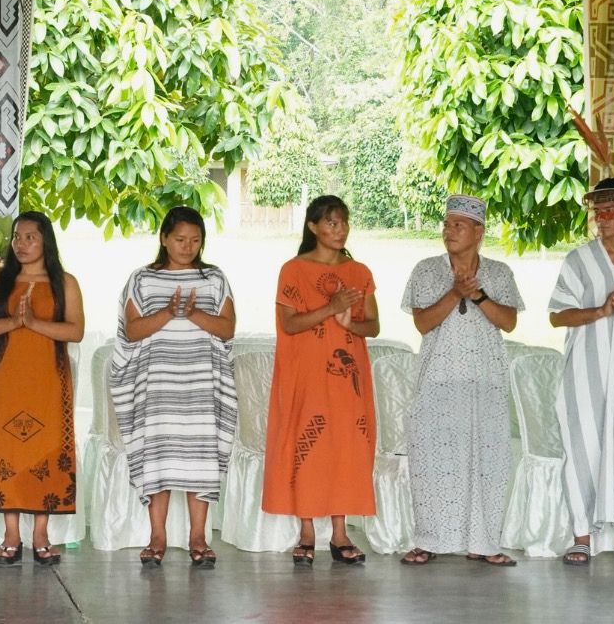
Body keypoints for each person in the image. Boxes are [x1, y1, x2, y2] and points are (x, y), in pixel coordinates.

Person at [107, 206, 236, 568]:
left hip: (201, 384)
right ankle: (157, 537)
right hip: (158, 384)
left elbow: (227, 329)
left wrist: (194, 314)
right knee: (158, 459)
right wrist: (169, 312)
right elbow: (132, 330)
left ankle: (198, 537)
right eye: (180, 240)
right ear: (164, 239)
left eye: (195, 241)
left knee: (200, 460)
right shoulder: (143, 279)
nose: (187, 247)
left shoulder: (214, 278)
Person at [400, 195, 522, 567]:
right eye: (446, 224)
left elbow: (509, 322)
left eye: (458, 225)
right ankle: (429, 540)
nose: (448, 231)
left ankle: (484, 542)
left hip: (485, 382)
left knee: (487, 461)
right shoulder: (426, 269)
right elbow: (422, 323)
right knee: (432, 461)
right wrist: (455, 292)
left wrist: (478, 295)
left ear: (479, 231)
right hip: (437, 381)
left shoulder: (499, 273)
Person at [262, 194, 379, 566]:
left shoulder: (359, 271)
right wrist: (331, 308)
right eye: (330, 222)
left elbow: (373, 326)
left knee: (345, 448)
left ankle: (340, 533)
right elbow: (290, 323)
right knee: (308, 444)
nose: (339, 229)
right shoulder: (292, 269)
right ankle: (307, 532)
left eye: (343, 222)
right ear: (312, 227)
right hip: (307, 374)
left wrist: (350, 324)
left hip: (348, 377)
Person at [0, 212, 85, 566]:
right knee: (8, 452)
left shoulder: (64, 282)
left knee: (44, 452)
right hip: (6, 380)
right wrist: (14, 322)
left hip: (48, 382)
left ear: (45, 241)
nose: (21, 244)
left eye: (30, 238)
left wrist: (35, 323)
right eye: (17, 237)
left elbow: (75, 332)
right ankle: (11, 535)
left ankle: (40, 535)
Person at [549, 177, 614, 565]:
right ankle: (581, 537)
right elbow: (557, 315)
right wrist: (601, 309)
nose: (602, 219)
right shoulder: (579, 260)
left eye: (611, 210)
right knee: (584, 446)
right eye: (598, 212)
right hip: (586, 372)